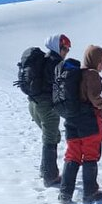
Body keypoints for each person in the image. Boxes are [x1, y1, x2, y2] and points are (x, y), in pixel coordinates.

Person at [59, 45, 102, 204]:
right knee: (90, 155)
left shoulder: (75, 73)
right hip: (89, 121)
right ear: (93, 59)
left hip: (71, 119)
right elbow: (95, 99)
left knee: (72, 155)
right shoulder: (92, 75)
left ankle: (65, 194)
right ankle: (90, 192)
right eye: (101, 61)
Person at [28, 34, 71, 187]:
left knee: (51, 135)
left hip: (34, 103)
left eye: (67, 49)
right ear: (55, 46)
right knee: (51, 138)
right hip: (47, 105)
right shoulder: (55, 62)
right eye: (64, 48)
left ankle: (44, 169)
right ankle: (50, 176)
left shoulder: (45, 59)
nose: (66, 51)